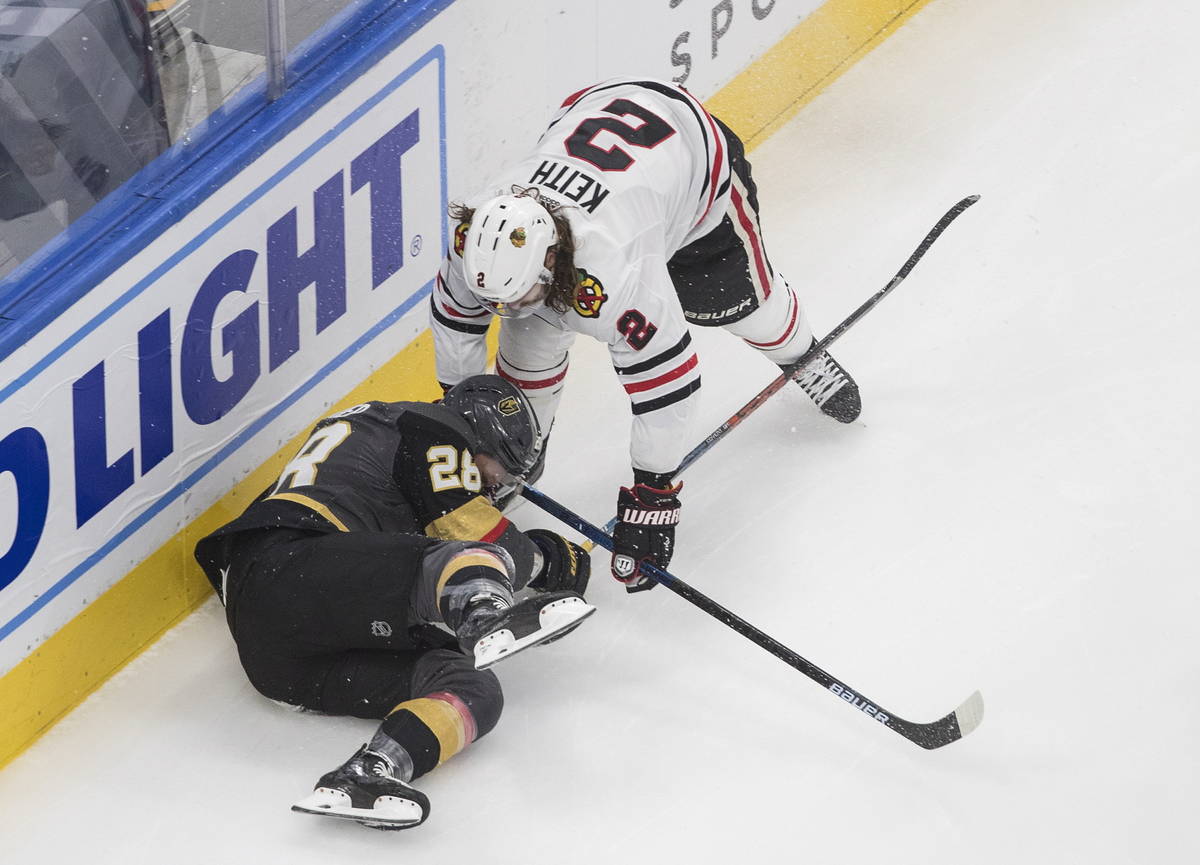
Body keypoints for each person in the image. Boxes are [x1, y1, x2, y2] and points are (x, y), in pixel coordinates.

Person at [431, 77, 861, 591]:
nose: (506, 311)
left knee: (745, 308)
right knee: (526, 355)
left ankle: (802, 354)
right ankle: (517, 458)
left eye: (517, 297)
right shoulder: (477, 238)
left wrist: (653, 493)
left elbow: (667, 382)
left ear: (553, 259)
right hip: (598, 125)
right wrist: (461, 427)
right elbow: (457, 321)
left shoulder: (613, 269)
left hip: (692, 159)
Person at [193, 375, 594, 830]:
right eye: (497, 471)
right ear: (479, 432)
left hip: (278, 653)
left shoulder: (378, 440)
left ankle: (370, 773)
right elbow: (473, 533)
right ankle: (486, 617)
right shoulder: (434, 428)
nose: (493, 488)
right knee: (466, 555)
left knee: (471, 687)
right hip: (292, 567)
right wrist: (548, 559)